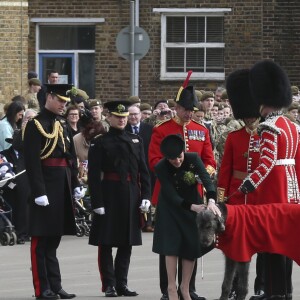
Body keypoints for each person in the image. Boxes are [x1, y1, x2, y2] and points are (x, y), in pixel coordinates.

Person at [149, 73, 216, 300]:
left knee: (191, 241)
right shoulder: (161, 129)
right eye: (185, 109)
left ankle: (190, 288)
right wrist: (175, 171)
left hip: (193, 193)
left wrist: (201, 175)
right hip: (168, 193)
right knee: (169, 244)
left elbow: (209, 161)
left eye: (191, 109)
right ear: (176, 107)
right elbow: (153, 160)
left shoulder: (202, 129)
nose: (188, 113)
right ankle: (167, 289)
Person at [239, 60, 300, 300]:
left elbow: (267, 162)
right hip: (292, 190)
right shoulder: (293, 126)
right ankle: (285, 291)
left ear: (264, 102)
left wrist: (249, 183)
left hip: (274, 190)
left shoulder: (269, 127)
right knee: (286, 243)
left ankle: (274, 292)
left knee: (273, 244)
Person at [23, 84, 84, 300]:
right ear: (49, 97)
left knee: (54, 239)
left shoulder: (61, 124)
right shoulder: (35, 125)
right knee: (41, 241)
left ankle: (55, 285)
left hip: (61, 185)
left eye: (66, 103)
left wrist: (75, 183)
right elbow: (31, 161)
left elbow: (70, 157)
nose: (63, 106)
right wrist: (39, 191)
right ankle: (42, 288)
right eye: (60, 101)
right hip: (45, 187)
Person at [88, 100, 151, 297]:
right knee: (106, 242)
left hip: (131, 193)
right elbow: (93, 175)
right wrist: (97, 202)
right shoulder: (100, 141)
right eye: (118, 117)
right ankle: (109, 284)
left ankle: (122, 283)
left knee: (127, 242)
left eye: (124, 117)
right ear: (109, 117)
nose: (122, 120)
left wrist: (146, 196)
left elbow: (144, 171)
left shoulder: (136, 139)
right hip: (109, 193)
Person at [217, 69, 265, 300]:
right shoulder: (234, 137)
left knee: (261, 245)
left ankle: (261, 286)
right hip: (237, 197)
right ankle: (234, 284)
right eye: (247, 116)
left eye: (253, 116)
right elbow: (224, 170)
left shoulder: (267, 135)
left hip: (259, 196)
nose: (250, 119)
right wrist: (221, 197)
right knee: (236, 245)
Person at [153, 134, 219, 300]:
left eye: (179, 157)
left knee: (191, 245)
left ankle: (185, 287)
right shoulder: (161, 167)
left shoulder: (193, 158)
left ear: (184, 151)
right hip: (170, 208)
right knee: (171, 246)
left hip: (192, 205)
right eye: (172, 159)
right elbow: (170, 194)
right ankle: (171, 288)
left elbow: (207, 180)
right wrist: (192, 207)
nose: (176, 161)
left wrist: (211, 200)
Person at [125, 104, 155, 232]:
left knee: (147, 194)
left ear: (140, 115)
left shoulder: (150, 129)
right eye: (130, 114)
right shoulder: (123, 128)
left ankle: (148, 222)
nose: (133, 117)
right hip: (129, 168)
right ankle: (134, 221)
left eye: (135, 114)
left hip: (147, 166)